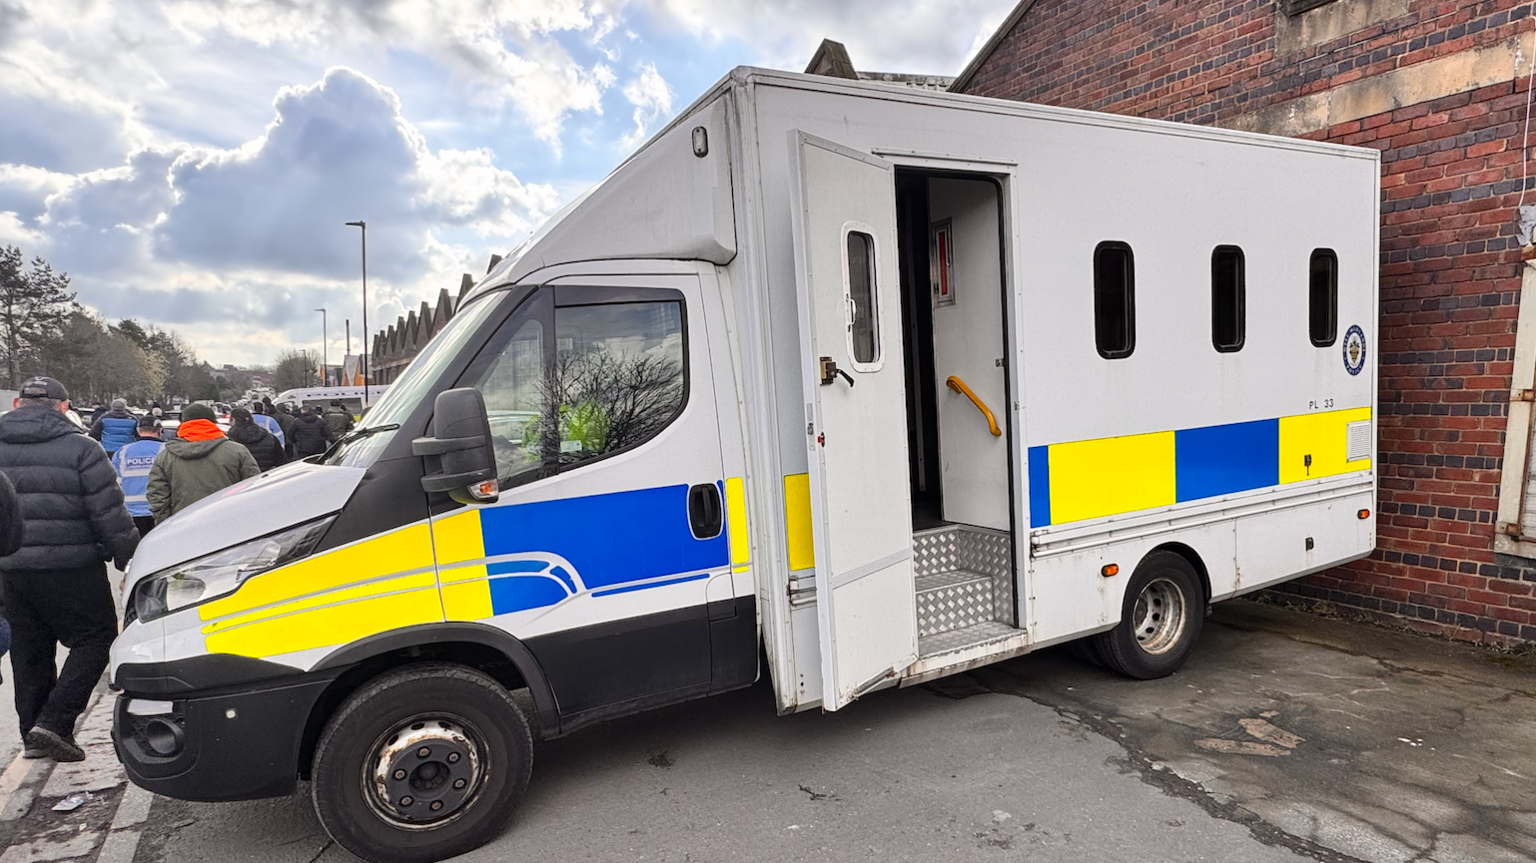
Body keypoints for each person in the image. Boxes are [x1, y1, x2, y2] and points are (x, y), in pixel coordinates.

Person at [0, 377, 138, 762]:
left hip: (10, 570)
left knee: (29, 651)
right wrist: (129, 556)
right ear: (64, 406)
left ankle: (32, 734)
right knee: (95, 639)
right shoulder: (83, 449)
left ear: (16, 405)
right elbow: (109, 513)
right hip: (72, 566)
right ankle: (55, 722)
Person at [145, 403, 259, 523]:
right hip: (230, 523)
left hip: (183, 526)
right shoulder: (237, 451)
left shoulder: (166, 456)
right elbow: (254, 488)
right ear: (213, 423)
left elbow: (157, 497)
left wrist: (166, 525)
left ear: (183, 424)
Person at [111, 416, 166, 538]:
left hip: (130, 512)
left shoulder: (122, 452)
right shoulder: (165, 450)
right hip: (158, 511)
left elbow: (114, 483)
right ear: (159, 430)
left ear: (138, 430)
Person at [226, 408, 287, 473]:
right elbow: (282, 463)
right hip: (269, 478)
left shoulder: (231, 441)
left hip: (245, 481)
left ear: (234, 420)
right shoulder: (270, 438)